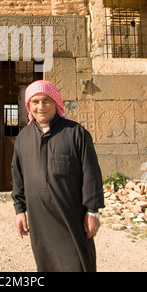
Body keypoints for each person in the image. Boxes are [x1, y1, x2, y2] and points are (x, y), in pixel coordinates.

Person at [11, 80, 105, 272]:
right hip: (40, 220)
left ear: (56, 103)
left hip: (71, 218)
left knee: (78, 264)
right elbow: (18, 176)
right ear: (29, 106)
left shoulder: (76, 133)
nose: (41, 106)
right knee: (46, 265)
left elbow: (91, 174)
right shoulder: (23, 138)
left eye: (46, 100)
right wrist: (19, 210)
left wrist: (92, 211)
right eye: (35, 102)